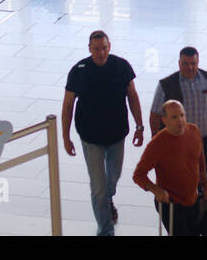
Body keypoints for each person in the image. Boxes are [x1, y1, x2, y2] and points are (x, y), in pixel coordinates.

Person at [61, 30, 145, 236]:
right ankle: (105, 229)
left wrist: (140, 126)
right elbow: (68, 105)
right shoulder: (78, 71)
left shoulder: (121, 67)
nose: (101, 53)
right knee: (98, 187)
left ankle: (108, 198)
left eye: (104, 48)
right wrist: (65, 136)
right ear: (89, 49)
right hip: (91, 138)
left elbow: (132, 96)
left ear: (110, 47)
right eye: (96, 49)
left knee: (113, 177)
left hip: (117, 135)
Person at [150, 48, 207, 202]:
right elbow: (155, 113)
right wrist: (155, 139)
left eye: (193, 63)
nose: (190, 67)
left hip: (206, 140)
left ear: (198, 62)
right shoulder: (167, 85)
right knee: (182, 180)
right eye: (185, 64)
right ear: (179, 63)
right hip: (178, 143)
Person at [133, 99, 207, 236]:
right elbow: (138, 175)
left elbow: (200, 159)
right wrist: (156, 190)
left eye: (182, 115)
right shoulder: (157, 144)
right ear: (164, 120)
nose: (180, 120)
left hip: (193, 199)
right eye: (174, 117)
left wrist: (205, 186)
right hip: (171, 204)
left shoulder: (193, 131)